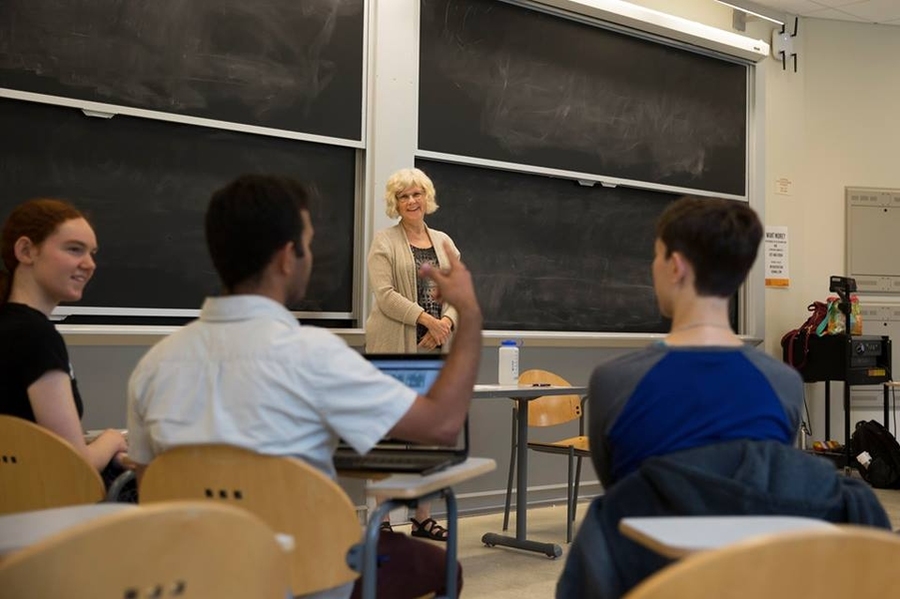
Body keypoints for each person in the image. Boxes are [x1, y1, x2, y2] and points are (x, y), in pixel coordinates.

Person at [127, 174, 483, 599]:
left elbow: (151, 489)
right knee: (440, 567)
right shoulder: (314, 355)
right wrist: (470, 312)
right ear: (285, 258)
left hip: (199, 579)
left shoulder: (153, 366)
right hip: (307, 580)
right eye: (307, 244)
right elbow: (442, 424)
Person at [556, 196, 889, 599]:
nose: (653, 266)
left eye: (657, 256)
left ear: (675, 266)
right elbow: (766, 484)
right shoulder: (782, 382)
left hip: (650, 579)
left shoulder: (614, 381)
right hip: (766, 581)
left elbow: (622, 491)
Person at [0, 199, 128, 476]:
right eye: (74, 249)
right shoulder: (36, 336)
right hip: (43, 509)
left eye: (92, 253)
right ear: (26, 251)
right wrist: (112, 438)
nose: (89, 264)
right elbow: (74, 462)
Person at [365, 167, 460, 540]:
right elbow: (385, 295)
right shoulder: (383, 242)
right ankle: (384, 522)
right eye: (403, 196)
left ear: (427, 197)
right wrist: (427, 320)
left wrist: (445, 326)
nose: (411, 201)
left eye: (416, 194)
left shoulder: (443, 241)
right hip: (394, 347)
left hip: (436, 349)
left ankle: (423, 517)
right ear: (395, 203)